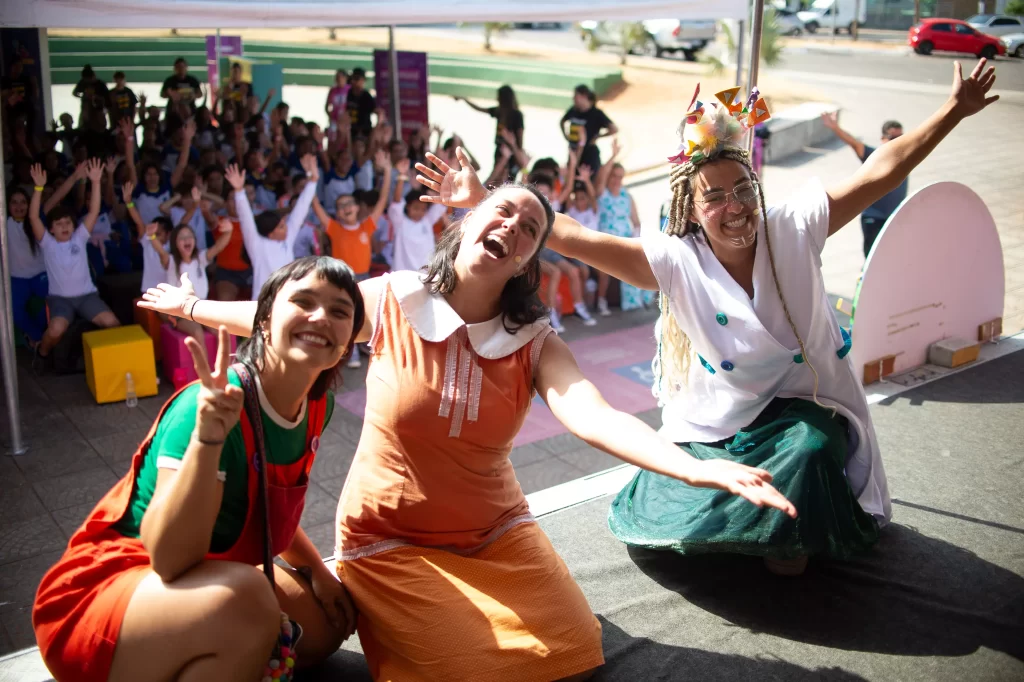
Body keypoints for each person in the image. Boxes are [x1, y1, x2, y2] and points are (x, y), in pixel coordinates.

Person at [145, 145, 796, 681]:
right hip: (389, 537)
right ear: (465, 222)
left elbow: (592, 415)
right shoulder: (396, 299)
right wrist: (192, 308)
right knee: (469, 668)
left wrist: (690, 469)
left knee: (574, 647)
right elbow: (293, 311)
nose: (513, 228)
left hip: (497, 531)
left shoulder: (535, 339)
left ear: (529, 257)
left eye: (530, 229)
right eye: (503, 212)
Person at [545, 63, 999, 575]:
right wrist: (488, 202)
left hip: (809, 405)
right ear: (692, 210)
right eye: (713, 196)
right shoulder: (677, 260)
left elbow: (879, 170)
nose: (734, 205)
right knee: (680, 498)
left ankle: (770, 534)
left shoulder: (794, 227)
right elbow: (573, 237)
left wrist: (952, 110)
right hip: (722, 421)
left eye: (742, 188)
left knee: (806, 456)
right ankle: (744, 532)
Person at [33, 256, 365, 682]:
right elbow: (169, 559)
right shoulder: (204, 404)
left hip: (210, 576)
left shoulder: (318, 406)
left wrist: (319, 571)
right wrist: (208, 438)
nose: (321, 317)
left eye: (340, 311)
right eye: (303, 301)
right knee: (249, 605)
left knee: (322, 633)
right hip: (108, 596)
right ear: (263, 320)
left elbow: (266, 503)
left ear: (350, 338)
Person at [28, 160, 120, 363]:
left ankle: (109, 361)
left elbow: (94, 210)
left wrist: (96, 182)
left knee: (112, 323)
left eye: (68, 223)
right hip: (60, 299)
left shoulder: (79, 236)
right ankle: (41, 354)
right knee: (55, 330)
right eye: (59, 224)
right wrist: (38, 188)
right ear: (51, 229)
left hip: (87, 296)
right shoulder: (47, 243)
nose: (64, 227)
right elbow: (34, 217)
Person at [226, 155, 319, 298]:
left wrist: (313, 181)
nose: (287, 227)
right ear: (270, 233)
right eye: (281, 226)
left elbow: (300, 209)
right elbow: (246, 220)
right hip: (263, 302)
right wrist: (239, 192)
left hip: (287, 300)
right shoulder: (257, 245)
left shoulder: (287, 239)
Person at [820, 112, 908, 258]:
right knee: (873, 259)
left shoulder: (905, 158)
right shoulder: (874, 156)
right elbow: (854, 143)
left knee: (893, 258)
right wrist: (835, 128)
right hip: (873, 220)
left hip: (894, 219)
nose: (898, 142)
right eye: (893, 138)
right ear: (883, 139)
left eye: (901, 138)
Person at [593, 138, 654, 314]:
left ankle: (640, 299)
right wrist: (613, 156)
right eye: (614, 175)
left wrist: (637, 237)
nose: (617, 179)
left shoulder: (626, 196)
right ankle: (602, 302)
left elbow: (635, 221)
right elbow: (601, 176)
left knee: (645, 258)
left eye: (620, 176)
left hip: (626, 237)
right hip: (606, 238)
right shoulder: (602, 194)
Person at [5, 186, 49, 346]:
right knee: (13, 311)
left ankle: (44, 339)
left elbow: (55, 198)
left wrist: (74, 178)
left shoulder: (36, 220)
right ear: (7, 205)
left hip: (40, 274)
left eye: (23, 202)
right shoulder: (4, 223)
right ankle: (37, 339)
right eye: (14, 202)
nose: (19, 206)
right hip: (17, 278)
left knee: (56, 303)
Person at [455, 85, 525, 182]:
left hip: (511, 153)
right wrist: (465, 100)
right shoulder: (499, 111)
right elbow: (479, 108)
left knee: (507, 178)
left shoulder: (516, 115)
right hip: (500, 150)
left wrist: (517, 151)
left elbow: (520, 135)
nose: (496, 99)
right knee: (497, 177)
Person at [560, 84, 616, 173]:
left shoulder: (596, 114)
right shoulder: (573, 110)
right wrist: (565, 135)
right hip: (573, 151)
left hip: (588, 155)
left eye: (576, 96)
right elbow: (562, 121)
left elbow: (613, 129)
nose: (573, 99)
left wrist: (598, 136)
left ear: (584, 96)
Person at [71, 65, 108, 131]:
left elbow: (107, 98)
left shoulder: (101, 84)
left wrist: (95, 97)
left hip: (98, 109)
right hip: (86, 109)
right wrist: (83, 96)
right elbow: (74, 93)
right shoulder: (83, 82)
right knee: (84, 126)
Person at [345, 67, 376, 139]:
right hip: (351, 129)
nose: (353, 81)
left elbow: (375, 110)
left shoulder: (366, 96)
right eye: (352, 79)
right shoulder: (349, 93)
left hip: (364, 131)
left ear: (363, 80)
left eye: (356, 79)